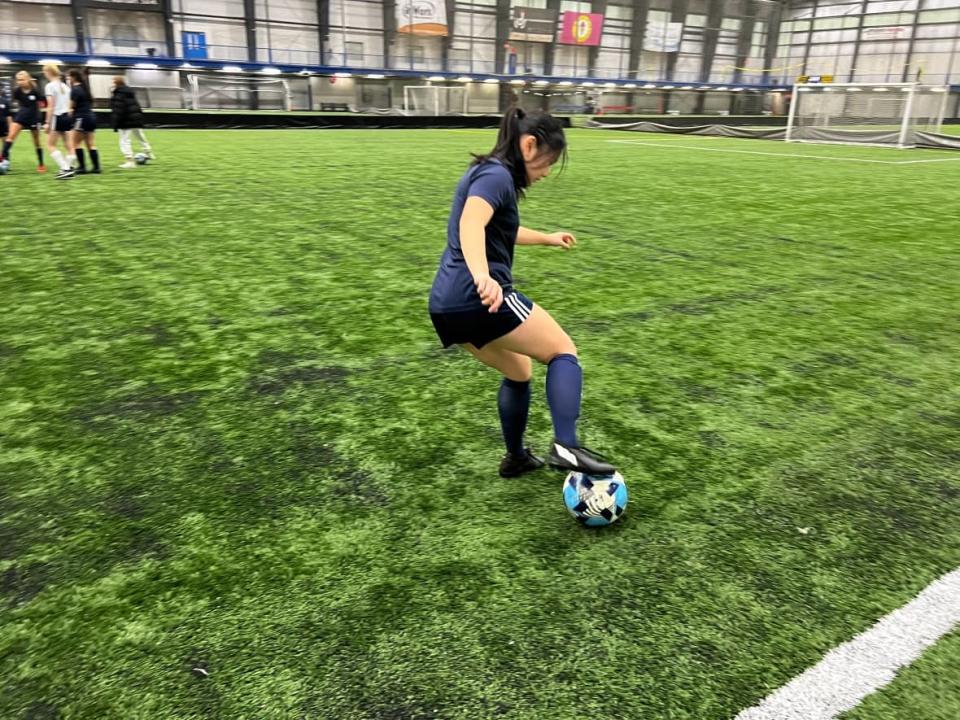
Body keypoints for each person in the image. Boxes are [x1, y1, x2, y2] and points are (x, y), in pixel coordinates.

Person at [428, 108, 616, 478]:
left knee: (519, 371)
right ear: (530, 145)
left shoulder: (487, 173)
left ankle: (515, 457)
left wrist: (547, 238)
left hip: (446, 304)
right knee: (563, 350)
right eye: (549, 161)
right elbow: (471, 223)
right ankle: (567, 445)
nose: (547, 172)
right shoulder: (496, 175)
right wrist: (483, 276)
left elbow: (499, 228)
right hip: (478, 296)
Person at [2, 71, 47, 173]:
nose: (20, 82)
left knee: (37, 142)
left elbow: (42, 103)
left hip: (33, 117)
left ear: (28, 79)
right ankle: (3, 160)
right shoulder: (17, 91)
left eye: (22, 80)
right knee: (10, 137)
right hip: (21, 116)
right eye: (18, 80)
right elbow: (18, 102)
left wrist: (40, 112)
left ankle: (41, 164)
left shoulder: (36, 90)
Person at [109, 76, 153, 168]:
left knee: (124, 141)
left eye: (113, 82)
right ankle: (148, 153)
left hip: (125, 120)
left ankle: (129, 161)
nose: (112, 83)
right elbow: (137, 106)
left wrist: (116, 123)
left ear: (116, 83)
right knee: (140, 136)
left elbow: (118, 109)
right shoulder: (130, 92)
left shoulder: (119, 93)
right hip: (135, 119)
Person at [42, 63, 75, 180]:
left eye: (44, 72)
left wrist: (47, 122)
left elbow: (50, 105)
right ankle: (69, 168)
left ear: (48, 72)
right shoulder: (66, 87)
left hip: (57, 117)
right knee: (69, 146)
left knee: (50, 145)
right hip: (67, 117)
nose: (44, 74)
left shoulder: (50, 86)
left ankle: (65, 168)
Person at [67, 68, 100, 175]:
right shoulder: (85, 89)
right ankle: (96, 167)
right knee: (90, 144)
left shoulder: (75, 89)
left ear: (73, 77)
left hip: (81, 118)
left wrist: (69, 117)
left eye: (68, 77)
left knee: (75, 143)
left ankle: (82, 167)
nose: (68, 79)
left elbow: (72, 107)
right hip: (91, 117)